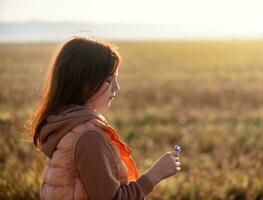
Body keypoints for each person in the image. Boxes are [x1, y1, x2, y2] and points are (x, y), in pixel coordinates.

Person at [29, 36, 181, 200]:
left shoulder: (66, 125)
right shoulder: (89, 137)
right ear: (83, 83)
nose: (116, 87)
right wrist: (155, 175)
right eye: (109, 80)